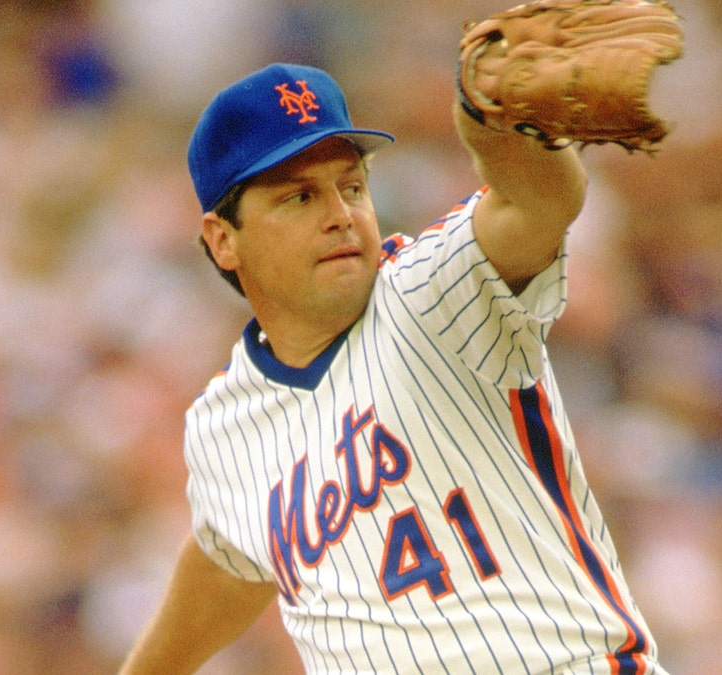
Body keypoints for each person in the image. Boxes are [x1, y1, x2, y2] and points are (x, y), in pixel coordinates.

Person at [118, 59, 665, 674]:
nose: (340, 213)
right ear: (223, 240)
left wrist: (492, 119)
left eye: (351, 187)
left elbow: (544, 200)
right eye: (299, 196)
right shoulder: (223, 429)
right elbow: (229, 558)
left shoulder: (432, 289)